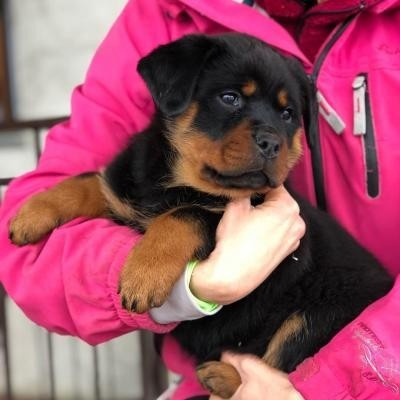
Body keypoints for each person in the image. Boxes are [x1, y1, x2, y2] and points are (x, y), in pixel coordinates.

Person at [0, 0, 400, 398]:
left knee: (324, 309)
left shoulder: (265, 204)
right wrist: (190, 286)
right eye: (231, 100)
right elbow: (60, 221)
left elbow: (194, 224)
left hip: (364, 360)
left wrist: (312, 389)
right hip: (207, 377)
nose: (268, 136)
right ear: (172, 93)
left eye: (286, 115)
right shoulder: (166, 16)